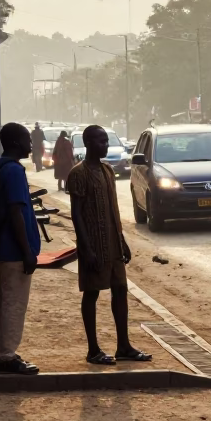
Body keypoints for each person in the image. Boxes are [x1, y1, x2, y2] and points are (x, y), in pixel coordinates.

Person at [68, 125, 152, 366]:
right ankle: (93, 349)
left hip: (113, 244)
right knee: (92, 293)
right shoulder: (79, 174)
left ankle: (123, 345)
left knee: (120, 290)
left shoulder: (106, 170)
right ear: (88, 143)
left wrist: (122, 240)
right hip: (93, 245)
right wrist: (85, 248)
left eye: (106, 141)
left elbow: (114, 209)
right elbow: (76, 214)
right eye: (100, 141)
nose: (104, 145)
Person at [0, 122, 40, 375]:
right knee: (13, 304)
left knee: (2, 302)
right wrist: (27, 250)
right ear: (17, 142)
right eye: (27, 139)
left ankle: (5, 352)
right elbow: (16, 211)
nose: (31, 144)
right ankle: (7, 357)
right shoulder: (14, 171)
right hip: (14, 250)